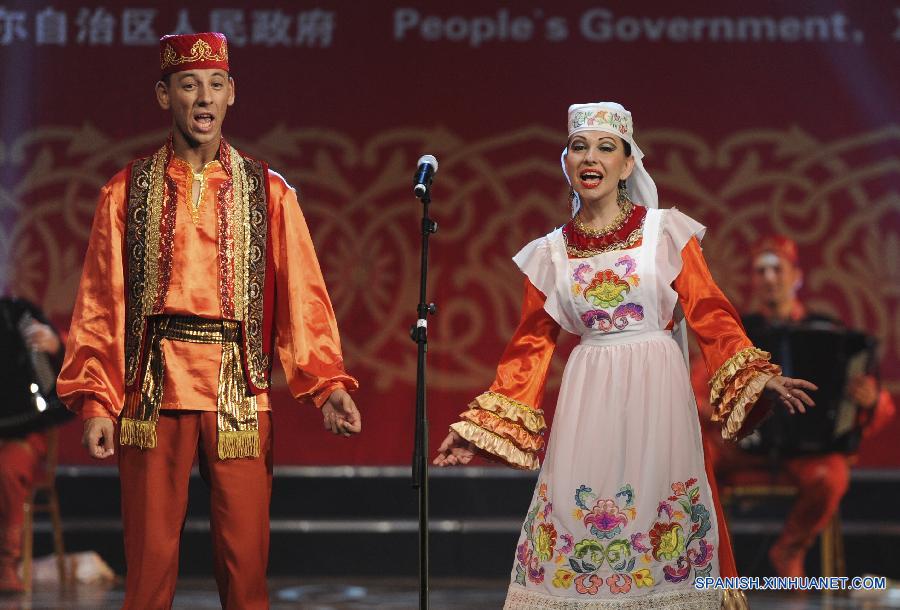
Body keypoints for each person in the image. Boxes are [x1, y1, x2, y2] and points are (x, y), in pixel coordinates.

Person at [434, 102, 817, 609]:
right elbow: (529, 347)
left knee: (662, 519)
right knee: (579, 515)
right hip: (589, 396)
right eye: (579, 147)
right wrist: (477, 430)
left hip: (656, 390)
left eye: (605, 147)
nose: (590, 157)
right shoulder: (551, 252)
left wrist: (757, 374)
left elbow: (710, 312)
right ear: (567, 163)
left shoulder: (664, 232)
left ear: (628, 163)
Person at [56, 33, 360, 610]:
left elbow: (304, 298)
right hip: (152, 393)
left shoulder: (269, 192)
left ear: (231, 94)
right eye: (189, 85)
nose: (203, 97)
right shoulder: (125, 192)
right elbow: (100, 303)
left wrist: (328, 387)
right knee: (148, 573)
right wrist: (98, 402)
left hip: (237, 393)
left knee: (245, 570)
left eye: (215, 84)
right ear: (163, 95)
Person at [691, 235, 895, 578]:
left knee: (832, 474)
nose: (770, 278)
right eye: (761, 271)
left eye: (777, 269)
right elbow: (695, 390)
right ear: (754, 280)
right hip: (746, 448)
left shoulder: (830, 333)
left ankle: (790, 548)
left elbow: (878, 403)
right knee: (698, 459)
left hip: (806, 455)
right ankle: (711, 560)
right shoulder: (737, 334)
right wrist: (722, 411)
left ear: (796, 276)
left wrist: (871, 399)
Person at [0, 297, 65, 594]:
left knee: (7, 468)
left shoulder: (19, 316)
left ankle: (6, 564)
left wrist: (54, 347)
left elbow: (55, 393)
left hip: (21, 436)